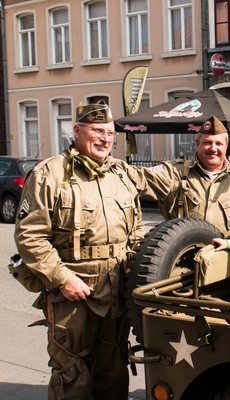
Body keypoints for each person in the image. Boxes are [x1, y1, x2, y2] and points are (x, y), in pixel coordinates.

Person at [14, 101, 144, 400]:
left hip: (115, 289)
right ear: (76, 131)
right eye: (97, 130)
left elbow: (136, 229)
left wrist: (133, 266)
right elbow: (30, 237)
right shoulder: (50, 174)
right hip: (73, 291)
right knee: (72, 373)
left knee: (113, 369)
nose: (105, 139)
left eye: (110, 133)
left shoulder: (120, 175)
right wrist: (62, 279)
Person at [129, 115, 230, 237]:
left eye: (218, 143)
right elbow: (137, 179)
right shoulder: (175, 173)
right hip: (184, 261)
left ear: (226, 146)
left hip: (227, 260)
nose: (213, 148)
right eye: (207, 143)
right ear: (197, 143)